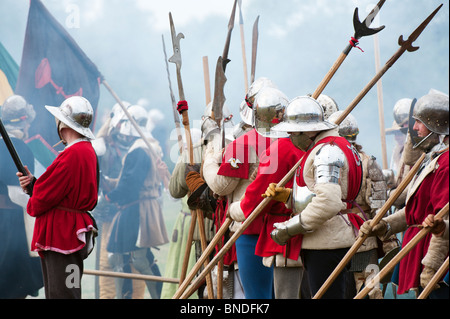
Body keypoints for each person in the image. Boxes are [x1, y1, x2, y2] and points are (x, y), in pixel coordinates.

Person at [264, 96, 363, 299]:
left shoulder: (327, 151)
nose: (290, 136)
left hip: (327, 242)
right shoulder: (332, 145)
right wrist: (288, 197)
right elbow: (319, 196)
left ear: (307, 130)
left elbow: (328, 203)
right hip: (329, 239)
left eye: (293, 132)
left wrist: (289, 228)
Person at [359, 91, 449, 299]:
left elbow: (441, 219)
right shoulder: (432, 159)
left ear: (436, 125)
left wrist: (431, 267)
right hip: (418, 243)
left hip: (434, 253)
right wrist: (385, 225)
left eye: (419, 122)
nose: (414, 128)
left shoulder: (445, 164)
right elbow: (414, 212)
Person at [203, 82, 287, 299]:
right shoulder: (293, 142)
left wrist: (210, 159)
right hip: (289, 230)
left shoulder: (243, 143)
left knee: (257, 298)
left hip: (252, 227)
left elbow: (222, 186)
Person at [16, 96, 99, 299]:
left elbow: (43, 199)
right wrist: (35, 184)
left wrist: (36, 192)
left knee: (62, 294)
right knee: (66, 291)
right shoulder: (85, 150)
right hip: (68, 228)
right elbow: (60, 190)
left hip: (62, 232)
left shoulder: (72, 154)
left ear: (63, 123)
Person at [105, 104, 169, 299]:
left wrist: (108, 198)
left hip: (136, 208)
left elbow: (130, 186)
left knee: (119, 257)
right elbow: (134, 179)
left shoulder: (138, 150)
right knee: (140, 258)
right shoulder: (148, 144)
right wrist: (110, 183)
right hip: (143, 205)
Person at [328, 110, 390, 299]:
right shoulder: (366, 162)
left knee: (369, 289)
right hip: (351, 236)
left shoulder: (366, 163)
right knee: (356, 288)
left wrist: (388, 241)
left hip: (357, 235)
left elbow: (380, 208)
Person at [0, 95, 43, 298]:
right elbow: (20, 194)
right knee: (11, 285)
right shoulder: (18, 147)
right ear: (25, 121)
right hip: (9, 225)